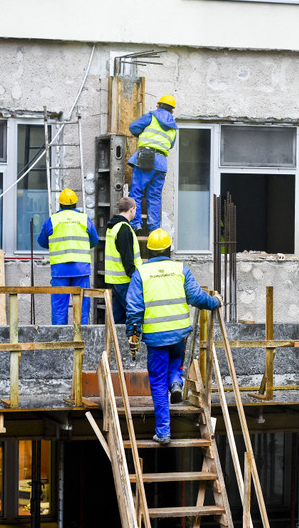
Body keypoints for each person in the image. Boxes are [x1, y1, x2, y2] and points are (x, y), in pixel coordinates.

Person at [125, 228, 221, 444]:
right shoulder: (181, 269)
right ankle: (176, 383)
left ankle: (163, 432)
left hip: (156, 338)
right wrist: (216, 302)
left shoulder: (140, 274)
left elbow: (133, 311)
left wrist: (133, 338)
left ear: (147, 250)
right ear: (169, 249)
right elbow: (197, 297)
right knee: (176, 364)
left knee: (158, 383)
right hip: (179, 334)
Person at [37, 188, 99, 325]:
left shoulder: (52, 220)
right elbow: (94, 241)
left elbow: (41, 242)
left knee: (59, 308)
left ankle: (61, 342)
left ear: (60, 205)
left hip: (60, 271)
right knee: (82, 307)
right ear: (76, 204)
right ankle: (82, 341)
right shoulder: (84, 219)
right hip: (81, 270)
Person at [126, 94, 178, 232]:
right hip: (161, 162)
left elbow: (133, 127)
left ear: (158, 105)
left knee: (136, 191)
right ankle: (154, 228)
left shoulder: (151, 116)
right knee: (154, 196)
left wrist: (143, 135)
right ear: (172, 111)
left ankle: (136, 223)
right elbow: (171, 145)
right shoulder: (174, 127)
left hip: (146, 156)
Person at [104, 197, 142, 324]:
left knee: (118, 318)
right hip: (124, 281)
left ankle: (116, 343)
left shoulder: (113, 227)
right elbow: (127, 258)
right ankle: (133, 343)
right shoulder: (124, 229)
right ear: (131, 209)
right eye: (135, 209)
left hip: (114, 280)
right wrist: (136, 277)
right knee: (134, 314)